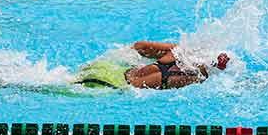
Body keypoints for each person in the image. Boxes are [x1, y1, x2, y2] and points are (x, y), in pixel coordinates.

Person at [75, 41, 230, 90]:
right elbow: (140, 46)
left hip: (109, 72)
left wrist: (124, 55)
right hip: (111, 84)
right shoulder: (195, 76)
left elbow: (140, 46)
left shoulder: (178, 52)